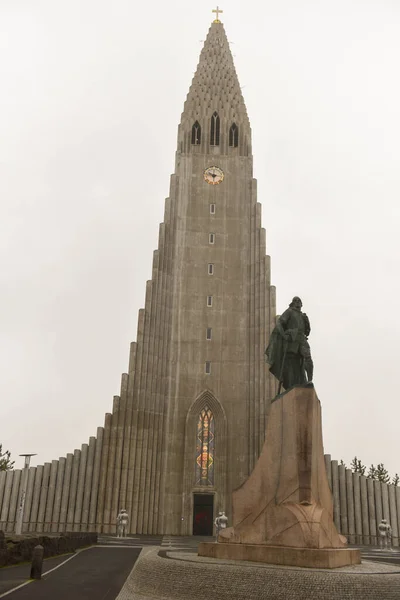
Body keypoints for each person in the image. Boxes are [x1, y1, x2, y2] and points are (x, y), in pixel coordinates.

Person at [265, 296, 313, 392]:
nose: (298, 302)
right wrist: (284, 335)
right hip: (292, 340)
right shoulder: (289, 312)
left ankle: (309, 380)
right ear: (293, 303)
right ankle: (291, 384)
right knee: (291, 363)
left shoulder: (303, 316)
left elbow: (307, 331)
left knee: (308, 359)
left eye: (299, 301)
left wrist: (306, 322)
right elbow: (279, 323)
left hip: (301, 339)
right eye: (296, 301)